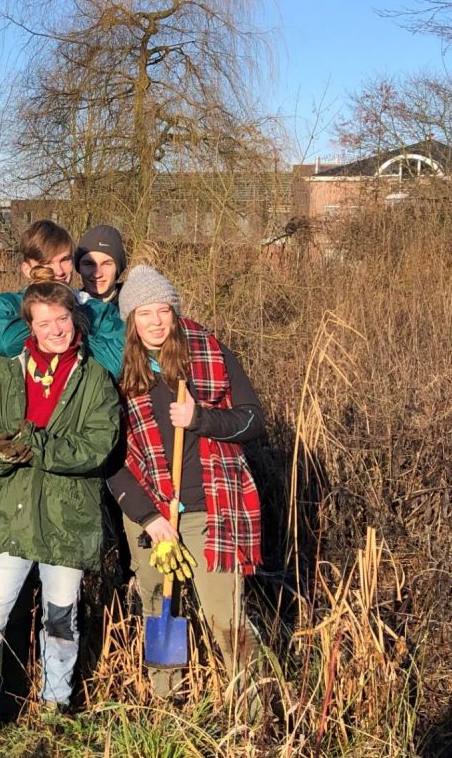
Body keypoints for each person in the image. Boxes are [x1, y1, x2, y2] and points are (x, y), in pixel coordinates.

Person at [0, 273, 119, 748]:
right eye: (44, 322)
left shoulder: (96, 378)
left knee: (61, 618)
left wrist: (35, 446)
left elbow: (97, 446)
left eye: (62, 319)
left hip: (67, 518)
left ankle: (54, 706)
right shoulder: (4, 371)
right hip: (8, 515)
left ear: (74, 320)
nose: (55, 330)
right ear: (30, 326)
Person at [106, 265, 266, 697]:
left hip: (209, 509)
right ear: (131, 320)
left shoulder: (209, 354)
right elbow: (111, 459)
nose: (156, 321)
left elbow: (253, 421)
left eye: (164, 311)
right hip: (150, 515)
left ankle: (253, 710)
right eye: (144, 313)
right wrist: (147, 517)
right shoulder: (117, 371)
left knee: (224, 615)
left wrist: (201, 418)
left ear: (175, 313)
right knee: (159, 609)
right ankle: (166, 701)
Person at [0, 219, 123, 377]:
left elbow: (114, 365)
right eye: (47, 263)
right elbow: (7, 344)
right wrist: (73, 325)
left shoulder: (99, 311)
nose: (59, 271)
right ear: (27, 270)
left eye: (65, 260)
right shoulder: (3, 307)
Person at [74, 225, 127, 306]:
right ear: (79, 268)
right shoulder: (67, 308)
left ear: (118, 268)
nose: (97, 274)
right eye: (89, 264)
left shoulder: (136, 310)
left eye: (106, 264)